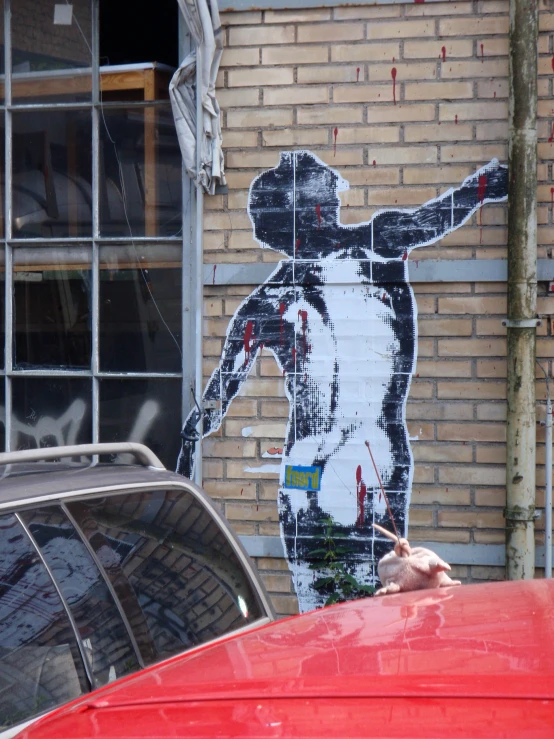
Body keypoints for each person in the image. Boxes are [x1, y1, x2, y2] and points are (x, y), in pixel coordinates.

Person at [177, 151, 508, 612]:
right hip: (368, 461)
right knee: (374, 602)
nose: (337, 193)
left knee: (330, 604)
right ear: (313, 208)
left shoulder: (267, 301)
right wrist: (487, 185)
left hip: (313, 467)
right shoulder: (378, 243)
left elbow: (213, 402)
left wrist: (186, 450)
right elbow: (442, 212)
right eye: (327, 191)